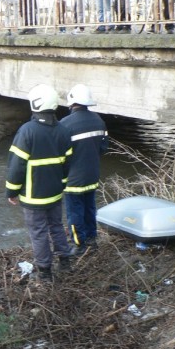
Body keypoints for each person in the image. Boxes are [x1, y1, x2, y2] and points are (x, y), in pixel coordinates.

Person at [6, 85, 73, 280]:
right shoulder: (63, 130)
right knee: (57, 226)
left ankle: (45, 272)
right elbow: (67, 165)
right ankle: (65, 261)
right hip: (55, 193)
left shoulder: (27, 131)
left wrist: (11, 191)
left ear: (35, 104)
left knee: (39, 232)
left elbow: (16, 166)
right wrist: (61, 185)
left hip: (33, 196)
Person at [59, 84, 108, 255]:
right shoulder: (98, 120)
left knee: (75, 212)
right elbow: (103, 148)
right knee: (89, 208)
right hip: (92, 175)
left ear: (72, 103)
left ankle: (79, 245)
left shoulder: (64, 124)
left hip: (73, 179)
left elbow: (61, 156)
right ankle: (92, 239)